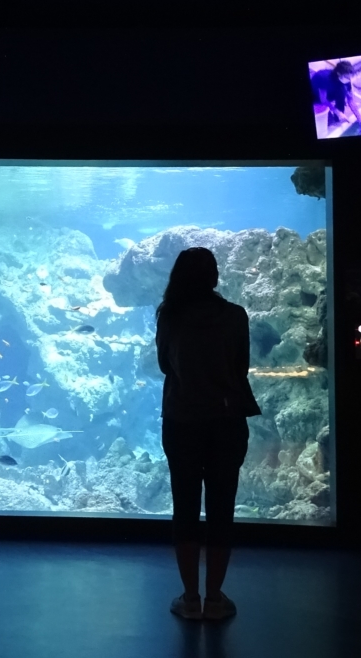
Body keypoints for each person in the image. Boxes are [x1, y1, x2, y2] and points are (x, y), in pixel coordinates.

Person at [155, 247, 261, 621]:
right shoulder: (235, 316)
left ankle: (190, 598)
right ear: (215, 277)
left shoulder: (169, 315)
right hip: (227, 420)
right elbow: (241, 366)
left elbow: (164, 364)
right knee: (221, 507)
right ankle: (214, 598)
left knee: (184, 506)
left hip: (181, 419)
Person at [310, 60, 361, 130]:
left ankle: (338, 119)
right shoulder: (323, 78)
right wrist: (337, 112)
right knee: (325, 123)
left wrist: (360, 119)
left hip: (331, 91)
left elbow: (350, 100)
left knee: (342, 93)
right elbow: (323, 100)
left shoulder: (346, 81)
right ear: (339, 73)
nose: (349, 79)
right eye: (347, 77)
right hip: (315, 95)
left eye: (350, 77)